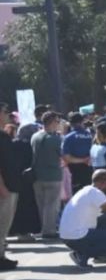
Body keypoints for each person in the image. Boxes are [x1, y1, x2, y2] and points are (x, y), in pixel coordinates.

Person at [59, 169, 106, 268]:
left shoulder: (88, 191)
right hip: (77, 237)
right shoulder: (94, 193)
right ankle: (82, 255)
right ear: (103, 182)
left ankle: (101, 255)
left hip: (69, 236)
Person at [30, 111, 65, 239]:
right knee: (52, 205)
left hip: (37, 175)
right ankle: (49, 231)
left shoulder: (35, 136)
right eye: (57, 121)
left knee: (42, 204)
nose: (58, 124)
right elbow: (63, 154)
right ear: (51, 122)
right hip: (53, 175)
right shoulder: (55, 139)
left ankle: (45, 228)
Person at [0, 124, 25, 269]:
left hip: (11, 185)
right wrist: (2, 187)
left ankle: (2, 255)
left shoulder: (3, 135)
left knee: (5, 226)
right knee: (2, 225)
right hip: (5, 188)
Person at [62, 112, 94, 193]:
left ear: (70, 123)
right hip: (88, 168)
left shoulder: (68, 137)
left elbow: (66, 158)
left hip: (74, 170)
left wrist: (82, 160)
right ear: (82, 121)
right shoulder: (89, 135)